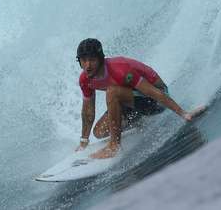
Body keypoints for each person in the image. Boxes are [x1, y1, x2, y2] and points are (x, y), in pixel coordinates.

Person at [75, 38, 206, 159]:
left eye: (92, 60)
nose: (87, 65)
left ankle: (114, 146)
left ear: (100, 58)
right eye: (83, 60)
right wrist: (83, 142)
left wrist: (183, 113)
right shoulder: (85, 79)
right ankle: (137, 122)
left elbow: (153, 92)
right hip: (132, 103)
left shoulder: (120, 70)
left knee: (112, 92)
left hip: (155, 102)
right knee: (99, 132)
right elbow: (88, 112)